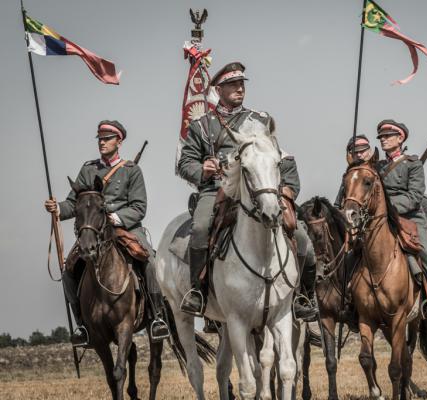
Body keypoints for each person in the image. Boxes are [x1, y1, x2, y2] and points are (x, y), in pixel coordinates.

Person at [177, 62, 317, 320]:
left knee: (300, 235)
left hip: (256, 189)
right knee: (199, 229)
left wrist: (286, 189)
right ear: (218, 90)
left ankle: (302, 296)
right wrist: (202, 169)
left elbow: (277, 154)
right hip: (217, 190)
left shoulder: (259, 120)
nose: (240, 88)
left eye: (242, 84)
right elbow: (184, 163)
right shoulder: (202, 126)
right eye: (233, 84)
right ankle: (198, 292)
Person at [44, 120, 170, 346]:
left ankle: (157, 318)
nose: (102, 142)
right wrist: (58, 208)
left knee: (150, 262)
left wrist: (116, 217)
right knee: (68, 271)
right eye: (100, 139)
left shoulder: (132, 170)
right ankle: (83, 325)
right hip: (95, 232)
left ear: (118, 141)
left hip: (126, 229)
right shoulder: (88, 169)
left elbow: (139, 207)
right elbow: (74, 204)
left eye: (106, 139)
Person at [374, 120, 427, 321]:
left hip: (409, 218)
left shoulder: (413, 164)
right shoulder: (377, 166)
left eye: (387, 136)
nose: (383, 140)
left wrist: (390, 208)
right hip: (381, 218)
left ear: (400, 138)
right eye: (381, 137)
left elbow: (414, 196)